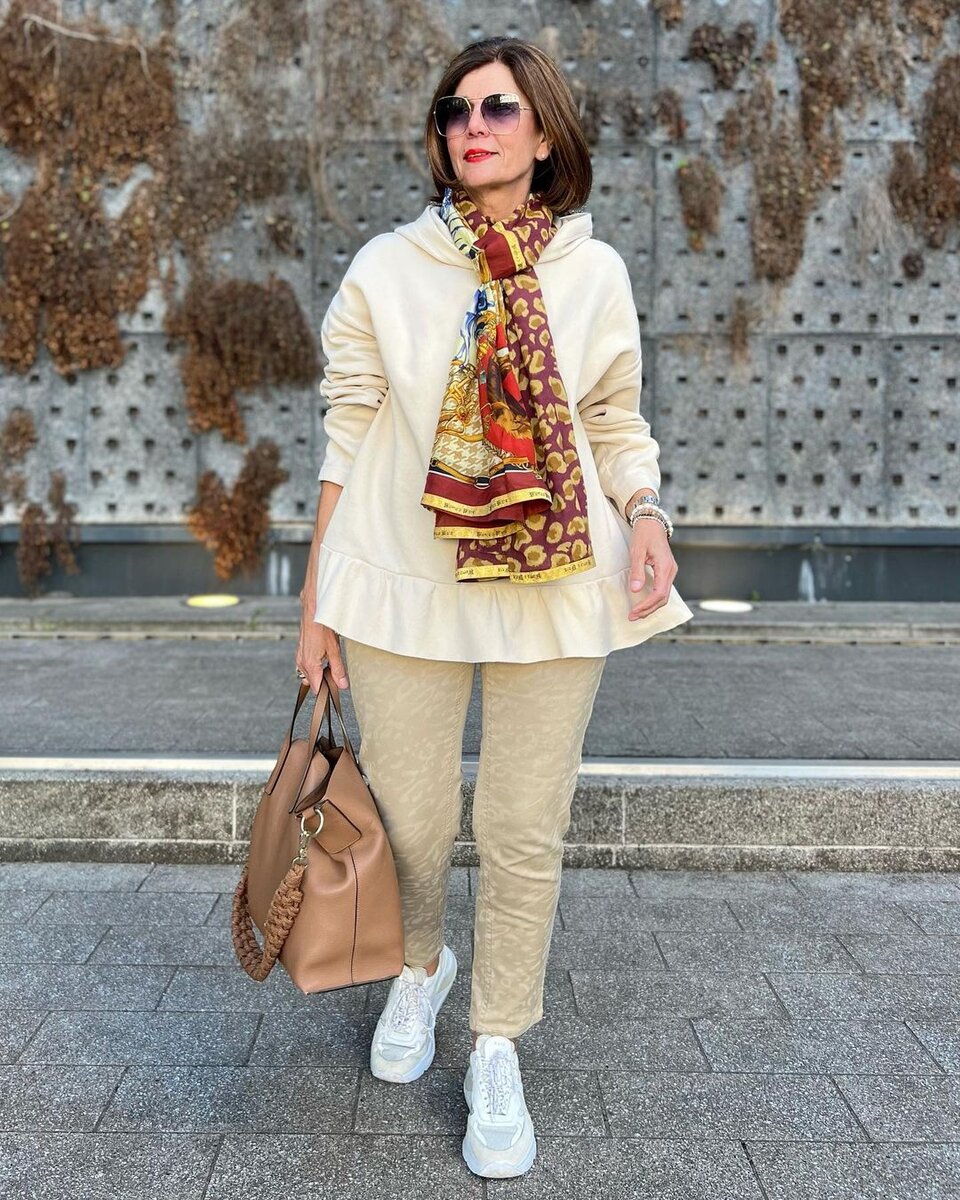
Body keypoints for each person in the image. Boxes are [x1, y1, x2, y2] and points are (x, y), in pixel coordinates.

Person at [295, 35, 694, 1179]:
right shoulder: (387, 268)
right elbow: (348, 427)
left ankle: (498, 1044)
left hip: (555, 581)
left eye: (500, 108)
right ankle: (421, 966)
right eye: (456, 111)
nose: (474, 125)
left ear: (545, 134)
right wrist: (316, 600)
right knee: (413, 822)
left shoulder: (593, 273)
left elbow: (612, 416)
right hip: (404, 581)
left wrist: (647, 512)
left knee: (523, 828)